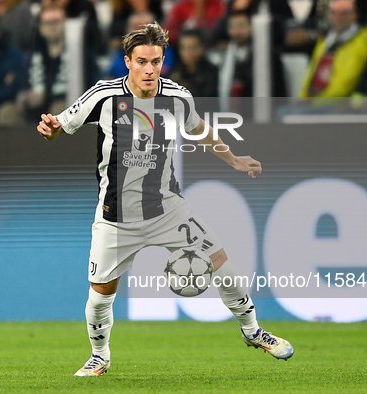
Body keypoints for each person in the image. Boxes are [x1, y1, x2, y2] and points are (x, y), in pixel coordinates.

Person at [37, 22, 294, 377]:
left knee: (223, 264)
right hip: (116, 216)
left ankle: (252, 331)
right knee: (100, 294)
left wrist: (233, 158)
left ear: (162, 61)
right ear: (127, 61)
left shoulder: (177, 96)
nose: (149, 69)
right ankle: (100, 355)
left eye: (155, 61)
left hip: (166, 208)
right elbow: (61, 127)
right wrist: (50, 131)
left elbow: (199, 129)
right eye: (141, 61)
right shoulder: (104, 95)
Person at [298, 0, 367, 100]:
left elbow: (343, 86)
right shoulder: (325, 41)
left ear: (355, 14)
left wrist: (313, 105)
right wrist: (303, 99)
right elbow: (310, 75)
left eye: (345, 12)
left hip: (334, 105)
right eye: (334, 12)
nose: (339, 16)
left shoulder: (360, 44)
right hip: (312, 100)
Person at [167, 28, 218, 97]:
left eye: (192, 48)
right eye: (183, 48)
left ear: (203, 48)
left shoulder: (212, 73)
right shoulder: (175, 71)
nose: (187, 53)